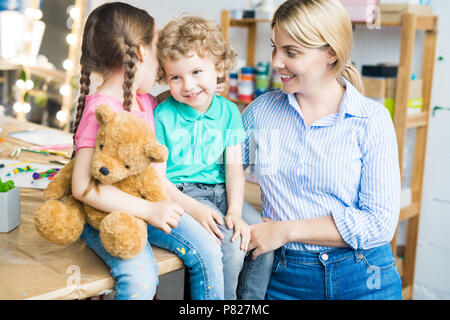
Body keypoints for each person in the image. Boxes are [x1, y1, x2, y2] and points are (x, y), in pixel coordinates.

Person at [244, 0, 403, 300]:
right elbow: (212, 172)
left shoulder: (371, 120)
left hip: (363, 276)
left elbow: (379, 224)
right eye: (275, 47)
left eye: (291, 52)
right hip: (284, 278)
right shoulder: (260, 113)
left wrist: (285, 230)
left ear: (331, 53)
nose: (276, 61)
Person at [71, 2, 224, 300]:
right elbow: (82, 187)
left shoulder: (146, 103)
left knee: (208, 247)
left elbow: (155, 177)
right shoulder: (100, 110)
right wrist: (150, 211)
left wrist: (203, 83)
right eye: (158, 47)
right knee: (140, 279)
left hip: (150, 206)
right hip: (106, 215)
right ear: (141, 52)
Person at [154, 15, 273, 300]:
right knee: (231, 243)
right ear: (165, 78)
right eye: (176, 77)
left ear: (218, 68)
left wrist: (233, 211)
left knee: (262, 235)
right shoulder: (161, 115)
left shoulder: (230, 112)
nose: (188, 85)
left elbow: (234, 170)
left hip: (222, 192)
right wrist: (194, 208)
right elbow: (157, 181)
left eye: (197, 72)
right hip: (184, 195)